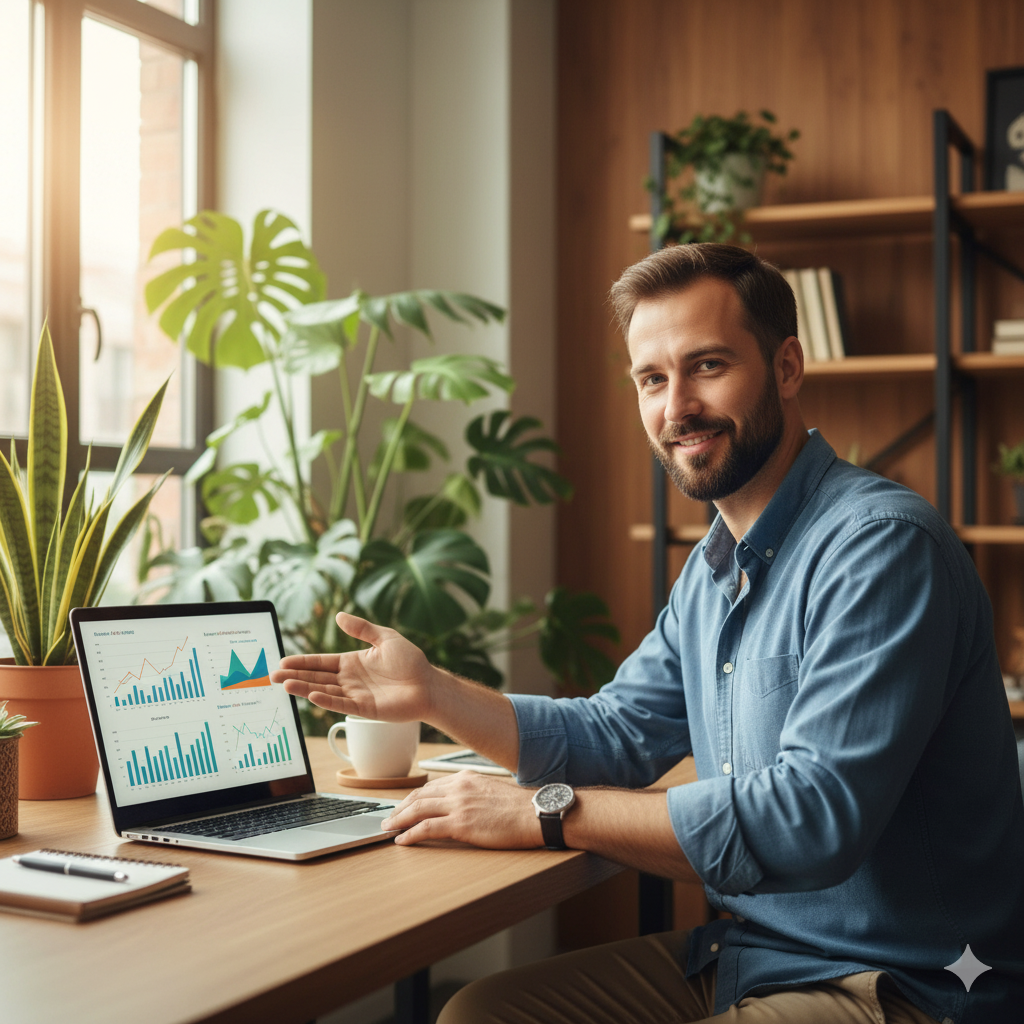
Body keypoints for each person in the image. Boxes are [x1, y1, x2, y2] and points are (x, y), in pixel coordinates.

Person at [273, 244, 1024, 1023]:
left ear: (788, 367)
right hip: (757, 955)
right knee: (481, 1014)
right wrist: (433, 695)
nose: (676, 408)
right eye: (652, 379)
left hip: (907, 986)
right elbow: (618, 731)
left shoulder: (881, 546)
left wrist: (545, 812)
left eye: (706, 366)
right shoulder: (713, 571)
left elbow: (813, 818)